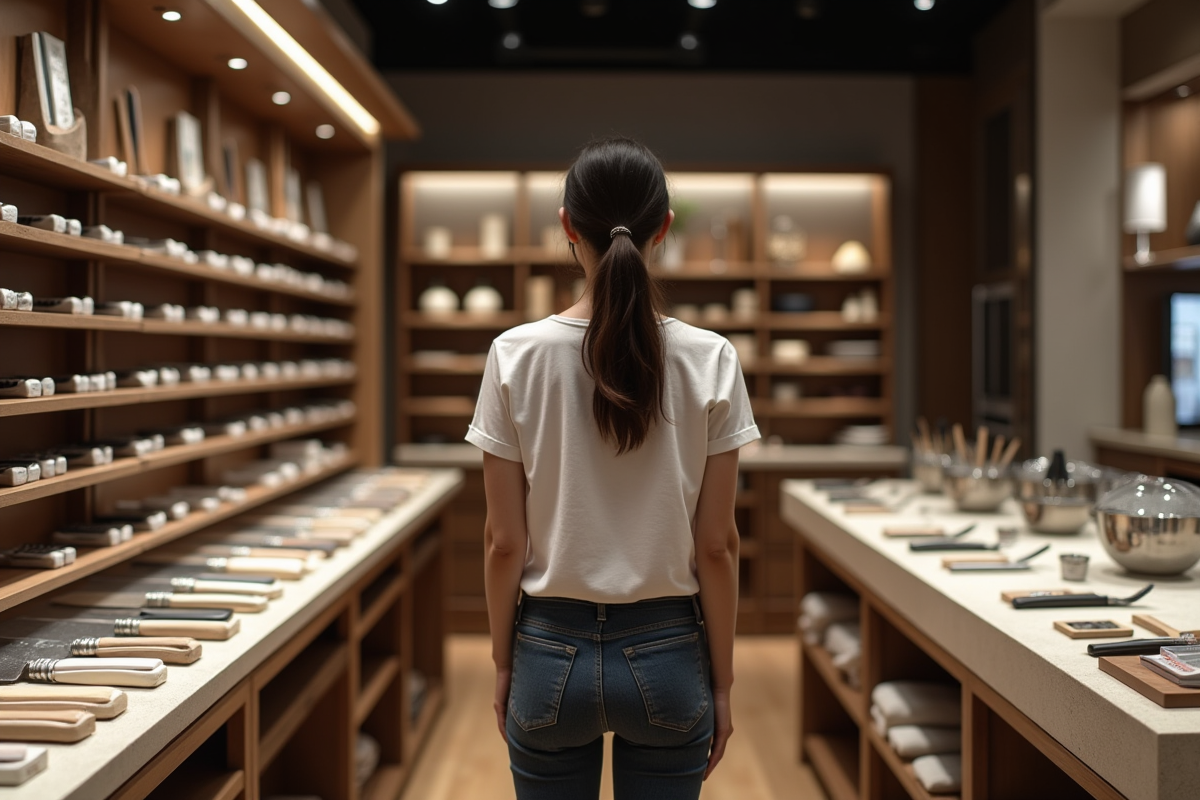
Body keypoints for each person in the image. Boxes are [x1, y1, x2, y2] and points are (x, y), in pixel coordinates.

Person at [465, 136, 760, 800]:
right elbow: (716, 545)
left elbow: (503, 541)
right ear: (665, 230)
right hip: (670, 653)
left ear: (567, 225)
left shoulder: (514, 355)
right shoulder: (711, 358)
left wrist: (504, 664)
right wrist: (721, 681)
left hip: (548, 652)